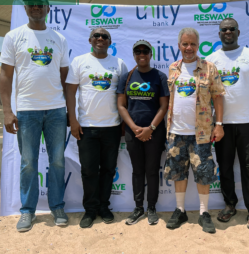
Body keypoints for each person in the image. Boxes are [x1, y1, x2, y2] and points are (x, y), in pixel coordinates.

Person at [0, 0, 70, 232]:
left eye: (41, 4)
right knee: (28, 163)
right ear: (26, 9)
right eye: (31, 4)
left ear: (48, 8)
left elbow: (65, 79)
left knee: (58, 161)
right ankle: (27, 211)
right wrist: (8, 111)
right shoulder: (13, 36)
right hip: (27, 111)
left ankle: (57, 207)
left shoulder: (59, 39)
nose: (36, 8)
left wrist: (68, 109)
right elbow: (6, 76)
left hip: (56, 111)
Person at [205, 18, 249, 230]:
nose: (228, 32)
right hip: (221, 124)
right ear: (219, 34)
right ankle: (230, 205)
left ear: (238, 32)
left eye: (232, 29)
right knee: (224, 167)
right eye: (224, 29)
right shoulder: (211, 60)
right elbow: (206, 94)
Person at [164, 27, 226, 234]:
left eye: (192, 44)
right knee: (178, 172)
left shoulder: (209, 68)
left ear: (198, 45)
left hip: (202, 133)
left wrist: (219, 125)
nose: (188, 48)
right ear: (179, 45)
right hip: (175, 132)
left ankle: (203, 212)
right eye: (185, 44)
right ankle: (180, 210)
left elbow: (218, 96)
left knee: (204, 173)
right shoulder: (173, 68)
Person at [66, 28, 127, 228]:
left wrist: (124, 124)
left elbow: (124, 97)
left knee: (108, 170)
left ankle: (103, 207)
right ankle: (90, 210)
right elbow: (70, 92)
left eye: (105, 36)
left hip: (112, 127)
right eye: (97, 36)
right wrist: (73, 120)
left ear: (110, 42)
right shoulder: (79, 62)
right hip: (87, 127)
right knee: (89, 171)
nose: (101, 39)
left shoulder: (119, 64)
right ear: (90, 40)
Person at [116, 40, 169, 225]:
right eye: (137, 51)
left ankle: (152, 208)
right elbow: (121, 106)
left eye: (145, 51)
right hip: (133, 132)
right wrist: (134, 127)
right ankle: (138, 208)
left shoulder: (159, 77)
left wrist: (150, 129)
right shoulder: (127, 77)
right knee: (138, 171)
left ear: (150, 54)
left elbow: (164, 106)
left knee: (152, 171)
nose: (141, 54)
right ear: (133, 54)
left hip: (155, 131)